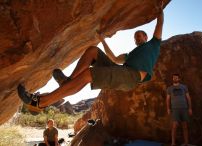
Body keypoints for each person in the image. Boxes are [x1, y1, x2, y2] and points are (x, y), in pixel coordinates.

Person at [17, 2, 164, 114]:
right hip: (122, 70)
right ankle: (68, 81)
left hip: (131, 77)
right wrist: (102, 39)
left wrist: (160, 7)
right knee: (93, 51)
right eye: (135, 36)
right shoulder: (129, 55)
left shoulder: (154, 44)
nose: (136, 37)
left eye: (139, 35)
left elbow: (160, 22)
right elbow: (112, 57)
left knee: (88, 74)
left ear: (145, 37)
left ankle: (41, 102)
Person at [166, 74, 192, 146]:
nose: (175, 79)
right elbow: (167, 99)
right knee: (174, 126)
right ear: (172, 79)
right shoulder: (169, 88)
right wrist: (168, 108)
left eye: (176, 78)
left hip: (184, 108)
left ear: (179, 79)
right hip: (175, 109)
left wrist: (190, 108)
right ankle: (173, 143)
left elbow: (188, 98)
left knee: (185, 126)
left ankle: (186, 143)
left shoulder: (184, 87)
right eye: (174, 78)